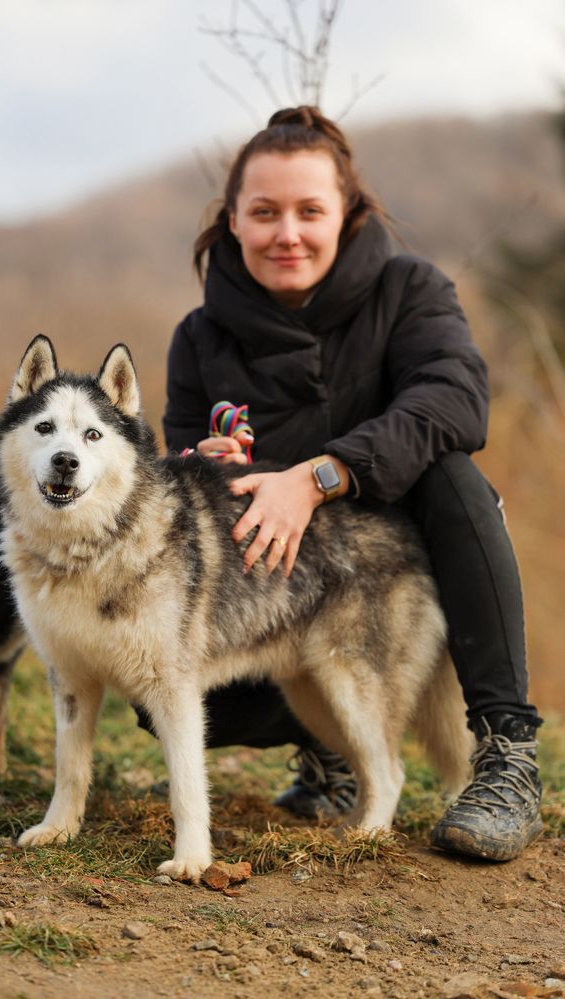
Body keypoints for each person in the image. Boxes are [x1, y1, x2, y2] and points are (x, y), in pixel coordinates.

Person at [140, 105, 543, 861]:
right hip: (284, 590)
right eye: (264, 212)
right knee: (153, 672)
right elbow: (178, 475)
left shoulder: (410, 289)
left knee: (457, 479)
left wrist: (321, 477)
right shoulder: (199, 337)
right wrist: (205, 469)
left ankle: (506, 757)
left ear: (347, 214)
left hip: (412, 561)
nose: (286, 232)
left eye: (308, 211)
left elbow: (455, 400)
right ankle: (329, 750)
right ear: (232, 220)